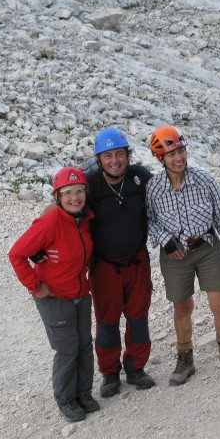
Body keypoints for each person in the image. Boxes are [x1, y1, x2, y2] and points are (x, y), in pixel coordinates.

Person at [146, 125, 220, 386]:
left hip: (206, 247)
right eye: (171, 154)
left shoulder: (205, 180)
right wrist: (164, 239)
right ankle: (185, 358)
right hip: (175, 253)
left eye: (180, 151)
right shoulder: (154, 188)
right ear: (161, 159)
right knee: (182, 306)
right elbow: (147, 220)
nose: (178, 158)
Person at [8, 167, 99, 422]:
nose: (75, 198)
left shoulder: (86, 218)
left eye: (79, 191)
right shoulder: (50, 221)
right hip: (54, 296)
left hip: (81, 292)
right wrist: (35, 286)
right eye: (68, 193)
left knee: (83, 345)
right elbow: (16, 254)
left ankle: (83, 392)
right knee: (67, 349)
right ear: (57, 197)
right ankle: (66, 399)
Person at [88, 128, 155, 397]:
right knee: (107, 320)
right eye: (108, 156)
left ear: (127, 155)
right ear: (99, 159)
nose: (115, 160)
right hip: (104, 265)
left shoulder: (140, 178)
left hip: (137, 261)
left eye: (119, 154)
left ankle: (136, 368)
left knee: (138, 316)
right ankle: (109, 373)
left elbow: (166, 196)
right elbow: (61, 209)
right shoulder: (89, 184)